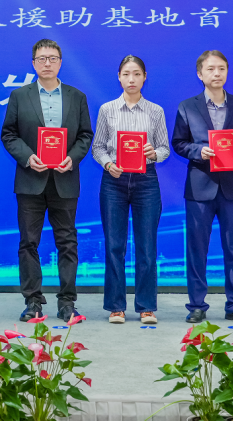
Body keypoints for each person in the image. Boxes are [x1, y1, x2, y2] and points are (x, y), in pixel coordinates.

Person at [1, 39, 93, 323]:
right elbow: (8, 134)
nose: (47, 63)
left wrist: (72, 158)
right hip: (31, 179)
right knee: (29, 242)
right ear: (33, 63)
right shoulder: (20, 95)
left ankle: (67, 302)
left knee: (67, 243)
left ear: (60, 62)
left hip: (65, 179)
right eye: (41, 59)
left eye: (52, 58)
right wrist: (28, 157)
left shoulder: (77, 96)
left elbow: (85, 135)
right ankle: (33, 301)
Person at [171, 50, 233, 324]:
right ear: (200, 74)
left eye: (221, 68)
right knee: (197, 250)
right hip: (200, 187)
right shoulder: (187, 106)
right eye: (210, 69)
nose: (216, 73)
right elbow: (178, 143)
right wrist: (199, 151)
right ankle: (197, 305)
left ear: (227, 72)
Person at [90, 55, 170, 325]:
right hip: (113, 180)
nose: (131, 79)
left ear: (145, 77)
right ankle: (116, 307)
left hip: (146, 181)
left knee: (146, 246)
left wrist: (154, 153)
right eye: (126, 74)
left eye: (136, 74)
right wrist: (108, 163)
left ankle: (146, 307)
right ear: (119, 77)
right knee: (115, 245)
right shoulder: (107, 109)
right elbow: (97, 147)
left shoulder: (156, 111)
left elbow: (164, 148)